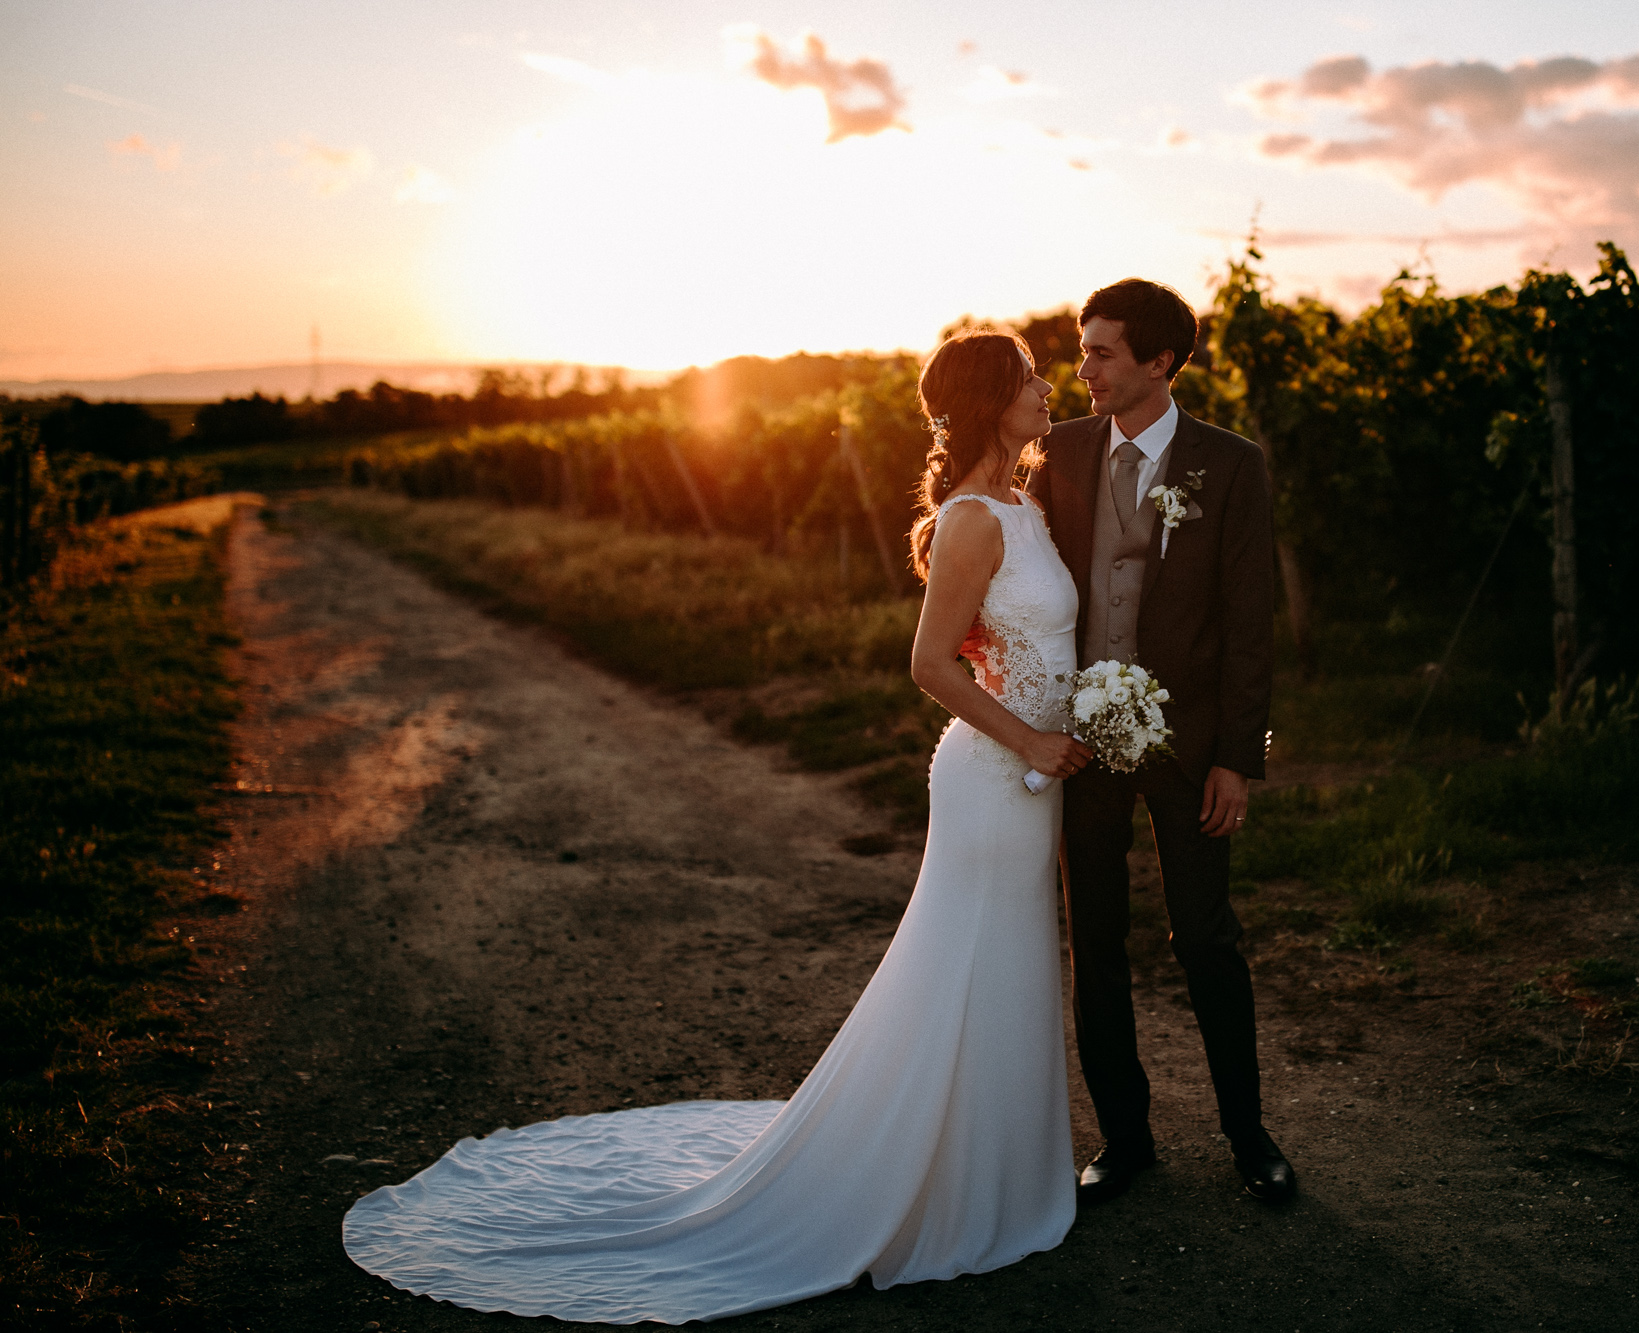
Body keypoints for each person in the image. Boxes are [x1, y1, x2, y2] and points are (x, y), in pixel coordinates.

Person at [341, 331, 1093, 1325]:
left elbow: (1009, 642)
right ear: (992, 398)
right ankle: (942, 1184)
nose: (1047, 390)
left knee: (1008, 963)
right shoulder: (968, 519)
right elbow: (928, 665)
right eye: (1031, 379)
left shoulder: (1024, 504)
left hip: (1034, 774)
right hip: (994, 776)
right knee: (971, 961)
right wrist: (1032, 743)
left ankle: (996, 1170)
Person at [1027, 278, 1295, 1206]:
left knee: (1206, 939)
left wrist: (1239, 754)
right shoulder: (1055, 453)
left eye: (1101, 351)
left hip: (1192, 750)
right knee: (1094, 941)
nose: (1084, 367)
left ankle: (1247, 1131)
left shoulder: (1232, 465)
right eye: (1084, 347)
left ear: (1159, 361)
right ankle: (1125, 1135)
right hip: (1081, 746)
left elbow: (1250, 622)